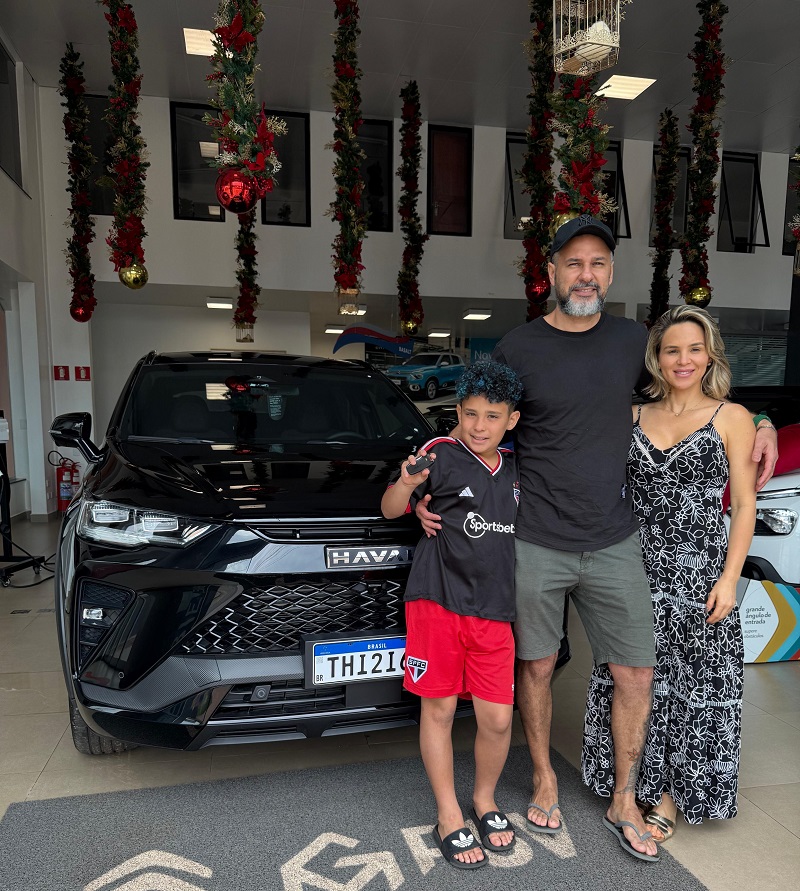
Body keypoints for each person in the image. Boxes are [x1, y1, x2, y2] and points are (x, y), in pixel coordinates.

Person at [415, 214, 778, 863]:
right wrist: (430, 491)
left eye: (598, 263)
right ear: (551, 271)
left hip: (615, 538)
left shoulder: (633, 342)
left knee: (636, 669)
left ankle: (624, 799)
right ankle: (544, 778)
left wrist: (763, 419)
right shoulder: (518, 347)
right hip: (536, 537)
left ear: (610, 274)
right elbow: (478, 424)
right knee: (536, 664)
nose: (586, 274)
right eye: (574, 262)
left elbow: (689, 386)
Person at [583, 306, 757, 842]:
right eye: (672, 349)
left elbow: (744, 506)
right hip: (631, 569)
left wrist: (729, 579)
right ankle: (631, 785)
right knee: (637, 681)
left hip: (700, 576)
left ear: (710, 355)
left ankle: (668, 797)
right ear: (656, 358)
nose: (684, 360)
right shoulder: (632, 414)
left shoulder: (732, 417)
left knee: (690, 685)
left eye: (694, 349)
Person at [381, 360, 523, 870]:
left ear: (511, 420)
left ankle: (484, 799)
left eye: (492, 416)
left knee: (498, 719)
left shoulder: (519, 465)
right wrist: (407, 488)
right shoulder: (438, 453)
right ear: (457, 413)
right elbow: (391, 507)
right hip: (436, 601)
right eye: (470, 414)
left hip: (495, 610)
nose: (479, 426)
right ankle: (448, 814)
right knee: (438, 710)